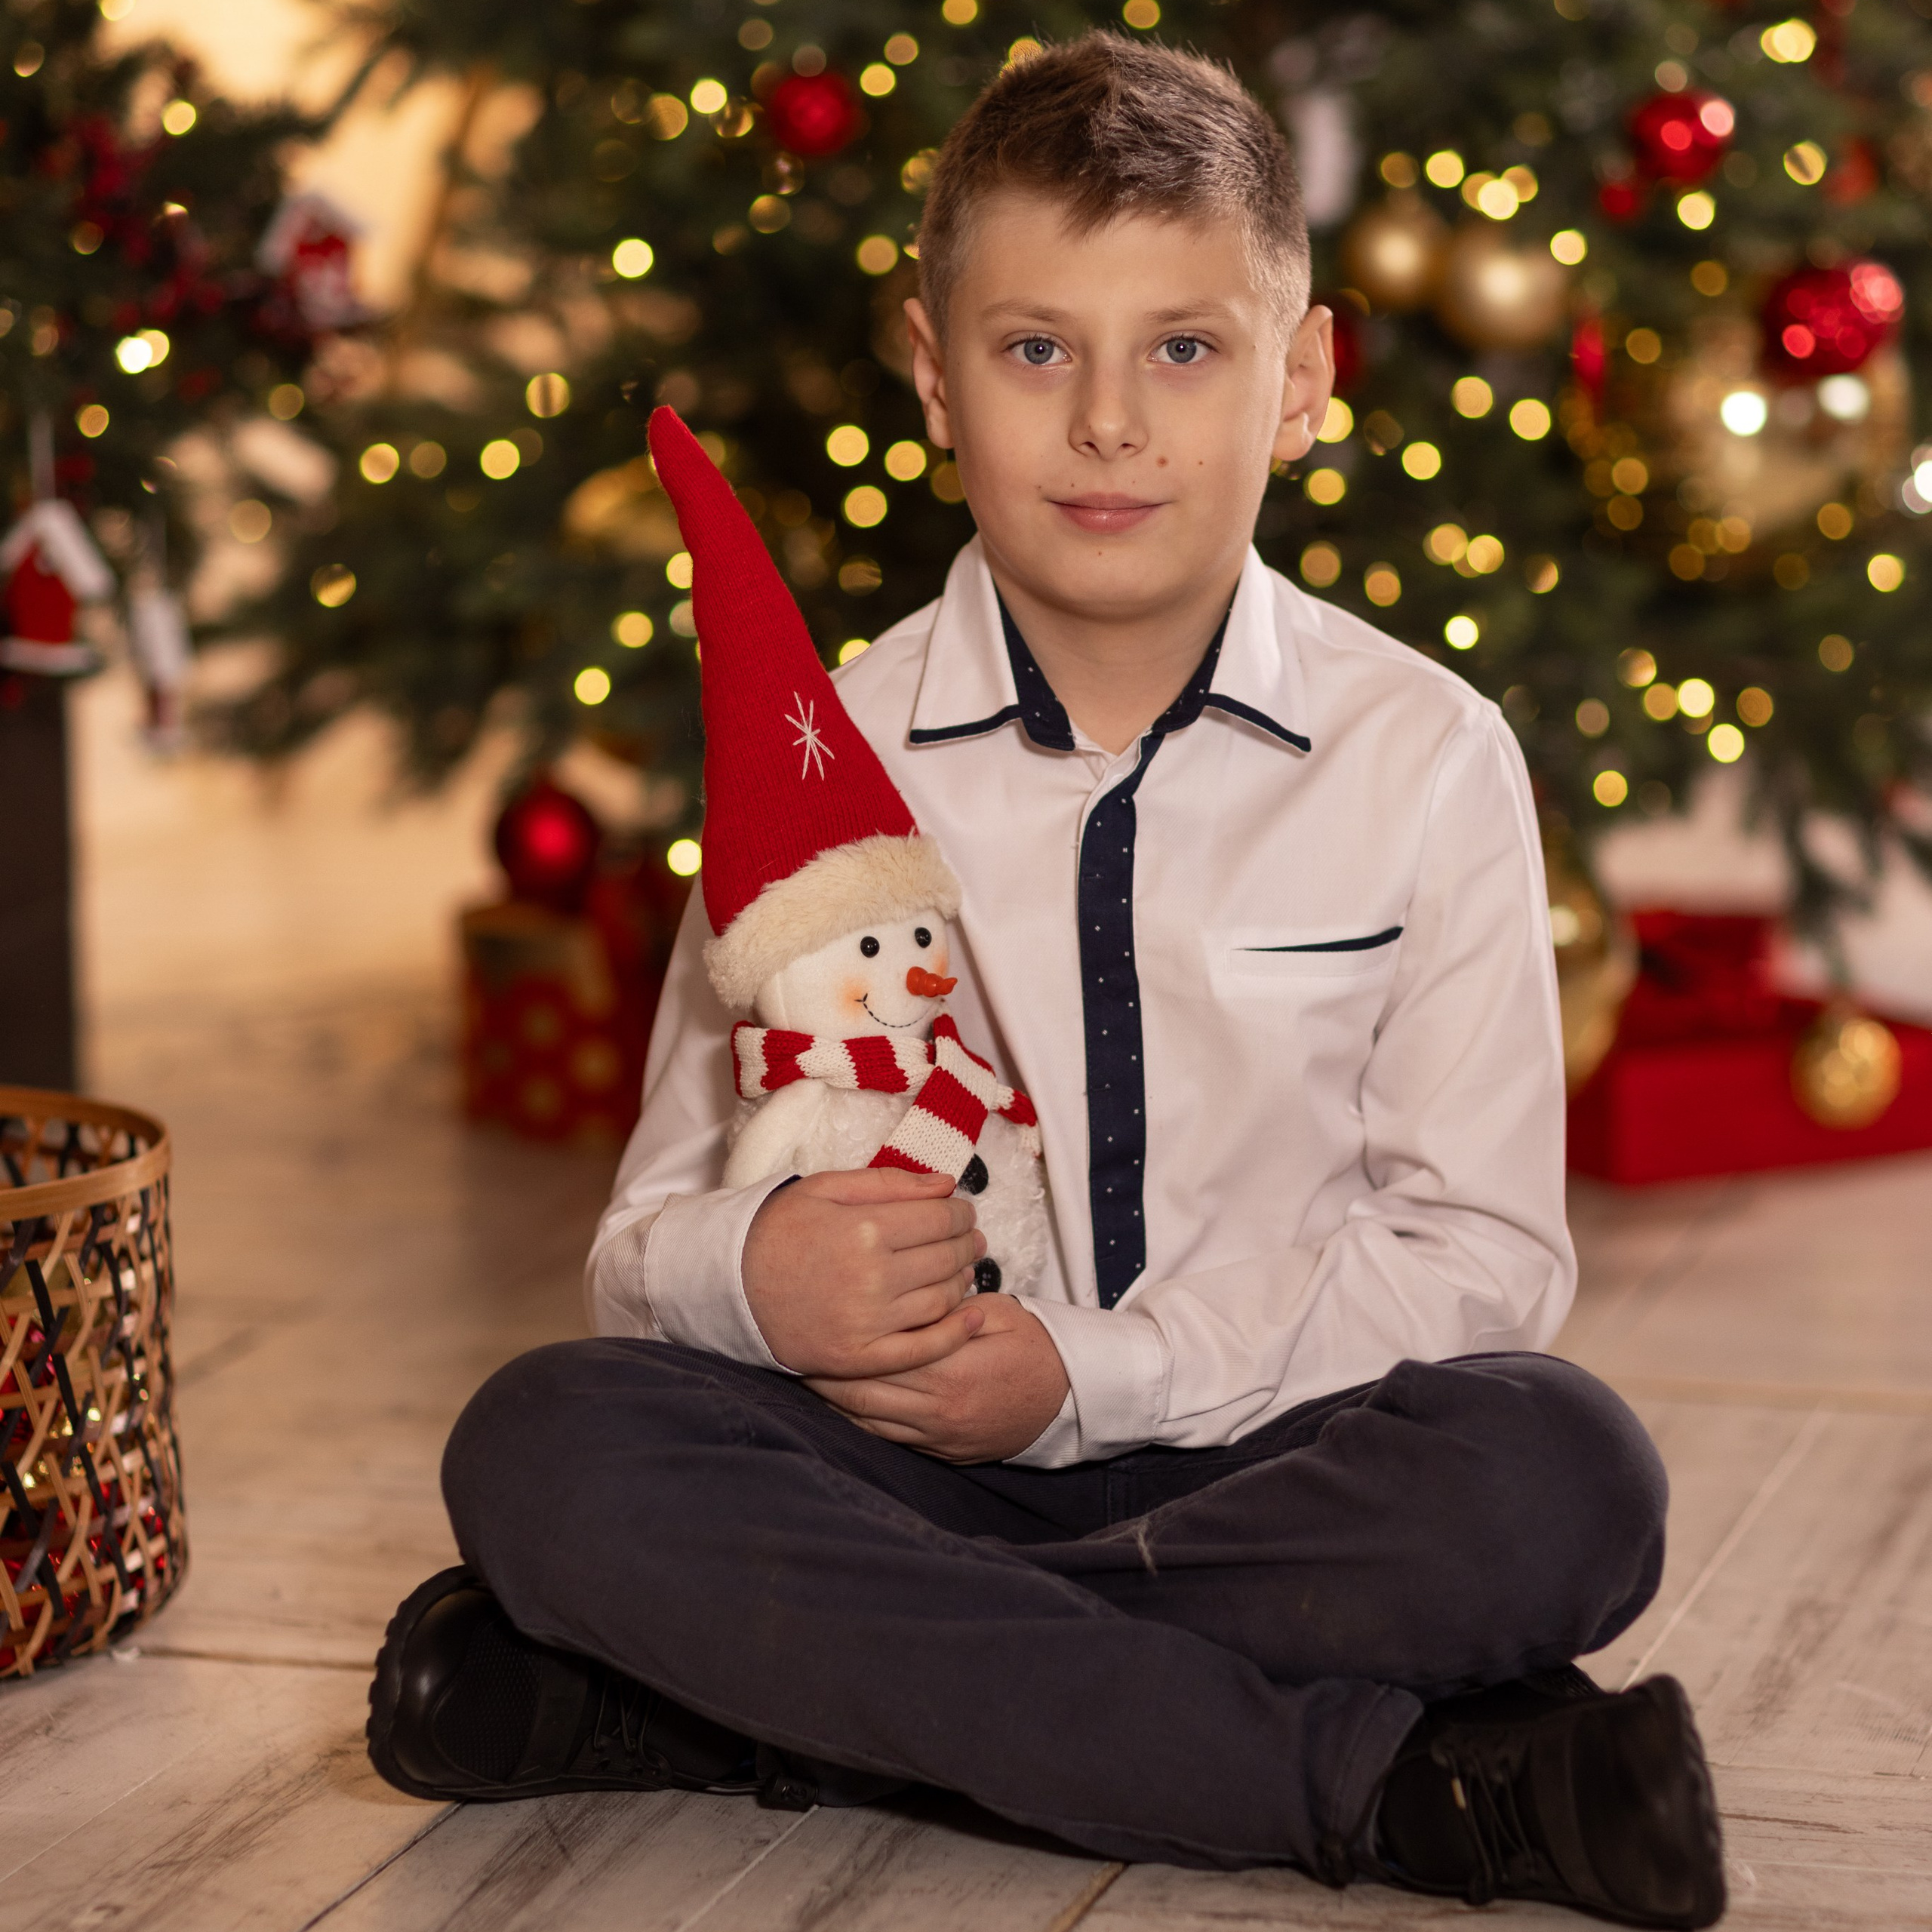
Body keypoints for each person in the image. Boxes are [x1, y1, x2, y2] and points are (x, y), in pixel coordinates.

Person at [365, 34, 1725, 1929]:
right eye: (1032, 349)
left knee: (1562, 1476)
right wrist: (757, 1272)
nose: (1107, 422)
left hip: (1265, 1462)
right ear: (932, 377)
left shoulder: (1426, 756)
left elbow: (1483, 1253)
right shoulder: (820, 746)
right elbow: (640, 1240)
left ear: (1302, 378)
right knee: (547, 1443)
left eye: (1183, 347)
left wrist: (1087, 1375)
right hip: (899, 1468)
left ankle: (749, 1686)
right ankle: (1389, 1786)